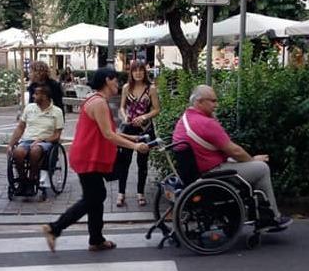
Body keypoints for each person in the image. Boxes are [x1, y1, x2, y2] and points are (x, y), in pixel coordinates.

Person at [42, 68, 150, 252]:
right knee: (94, 196)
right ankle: (54, 228)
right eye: (116, 80)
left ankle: (96, 239)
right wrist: (135, 147)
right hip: (87, 157)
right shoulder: (99, 102)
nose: (118, 84)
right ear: (108, 80)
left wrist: (132, 138)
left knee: (96, 196)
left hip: (88, 155)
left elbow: (108, 131)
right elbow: (108, 135)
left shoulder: (95, 100)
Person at [172, 84, 292, 231]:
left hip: (196, 172)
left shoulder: (185, 119)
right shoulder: (205, 123)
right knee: (261, 168)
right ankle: (270, 216)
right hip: (212, 173)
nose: (216, 105)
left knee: (246, 165)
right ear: (199, 102)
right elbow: (235, 151)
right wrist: (253, 160)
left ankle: (254, 213)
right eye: (213, 101)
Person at [115, 60, 161, 207]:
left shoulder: (151, 88)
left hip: (145, 129)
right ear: (131, 72)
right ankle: (121, 193)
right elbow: (121, 107)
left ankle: (140, 193)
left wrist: (144, 116)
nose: (138, 73)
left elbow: (156, 109)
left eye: (141, 70)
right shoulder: (126, 88)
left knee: (142, 163)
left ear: (145, 72)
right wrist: (125, 116)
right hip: (129, 129)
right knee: (125, 162)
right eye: (135, 70)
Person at [7, 83, 64, 193]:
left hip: (45, 142)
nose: (33, 96)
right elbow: (20, 127)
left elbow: (57, 135)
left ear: (45, 96)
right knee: (18, 152)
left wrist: (43, 140)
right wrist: (10, 144)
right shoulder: (29, 108)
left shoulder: (57, 112)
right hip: (27, 140)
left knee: (35, 150)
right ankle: (23, 180)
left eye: (36, 94)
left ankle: (33, 179)